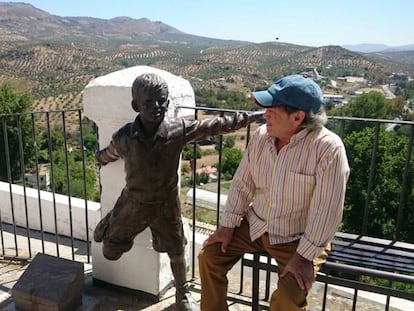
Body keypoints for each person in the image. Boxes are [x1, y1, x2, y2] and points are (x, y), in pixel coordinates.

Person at [93, 72, 264, 311]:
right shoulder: (125, 136)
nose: (157, 107)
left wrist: (254, 117)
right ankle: (109, 221)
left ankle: (182, 294)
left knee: (176, 251)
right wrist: (99, 158)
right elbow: (111, 152)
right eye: (149, 102)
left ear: (168, 102)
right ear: (136, 105)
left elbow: (215, 126)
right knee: (110, 253)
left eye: (161, 100)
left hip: (166, 205)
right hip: (133, 203)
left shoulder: (177, 131)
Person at [198, 74, 350, 311]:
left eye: (272, 111)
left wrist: (303, 258)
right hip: (257, 224)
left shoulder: (328, 149)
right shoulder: (261, 138)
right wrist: (227, 227)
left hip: (298, 237)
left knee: (289, 298)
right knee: (210, 257)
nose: (264, 114)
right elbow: (241, 185)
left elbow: (326, 211)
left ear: (297, 117)